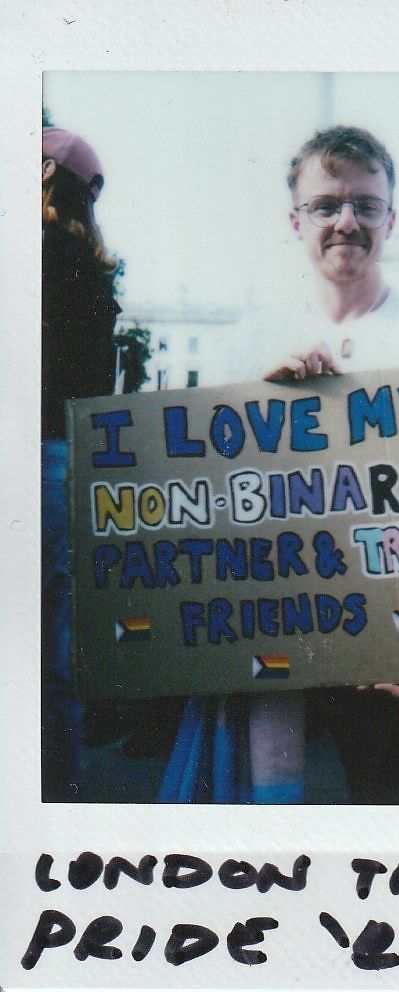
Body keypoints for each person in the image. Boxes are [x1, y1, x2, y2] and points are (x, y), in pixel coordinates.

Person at [159, 125, 399, 805]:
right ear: (295, 220)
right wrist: (249, 407)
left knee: (387, 815)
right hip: (271, 636)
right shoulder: (248, 341)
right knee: (267, 817)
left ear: (390, 219)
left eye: (365, 206)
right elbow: (199, 499)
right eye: (326, 205)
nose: (346, 221)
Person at [41, 126, 120, 800]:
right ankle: (57, 794)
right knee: (54, 650)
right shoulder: (91, 267)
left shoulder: (32, 252)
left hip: (30, 457)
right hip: (68, 460)